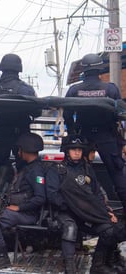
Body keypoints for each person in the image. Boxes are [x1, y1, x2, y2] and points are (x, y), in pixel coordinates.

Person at [46, 135, 120, 274]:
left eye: (79, 149)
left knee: (109, 229)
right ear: (67, 151)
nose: (77, 152)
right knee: (70, 228)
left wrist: (105, 212)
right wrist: (71, 206)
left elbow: (96, 193)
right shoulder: (56, 170)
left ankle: (98, 265)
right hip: (65, 212)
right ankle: (70, 268)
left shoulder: (87, 169)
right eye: (73, 149)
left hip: (87, 213)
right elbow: (52, 195)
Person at [63, 53, 126, 211]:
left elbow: (67, 115)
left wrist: (73, 134)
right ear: (100, 69)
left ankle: (79, 210)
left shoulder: (74, 89)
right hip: (106, 136)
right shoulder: (110, 89)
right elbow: (119, 114)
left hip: (83, 137)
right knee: (117, 174)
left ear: (84, 70)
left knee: (77, 173)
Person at [0, 53, 39, 204]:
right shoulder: (26, 90)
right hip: (22, 138)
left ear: (2, 68)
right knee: (26, 168)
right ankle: (30, 197)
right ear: (19, 69)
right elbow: (37, 112)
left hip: (1, 136)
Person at [0, 132, 46, 270]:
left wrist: (19, 208)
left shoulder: (36, 171)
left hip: (29, 215)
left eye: (20, 149)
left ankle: (3, 256)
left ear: (25, 150)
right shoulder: (28, 168)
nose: (18, 152)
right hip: (23, 212)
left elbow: (41, 198)